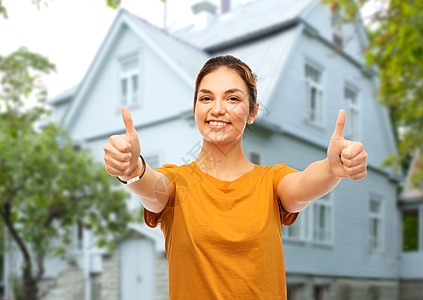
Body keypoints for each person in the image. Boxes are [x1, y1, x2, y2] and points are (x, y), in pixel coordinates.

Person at [103, 55, 368, 300]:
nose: (217, 109)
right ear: (195, 108)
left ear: (252, 112)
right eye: (206, 98)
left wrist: (332, 169)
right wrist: (132, 169)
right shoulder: (176, 183)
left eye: (232, 98)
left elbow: (302, 185)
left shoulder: (271, 181)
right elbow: (152, 188)